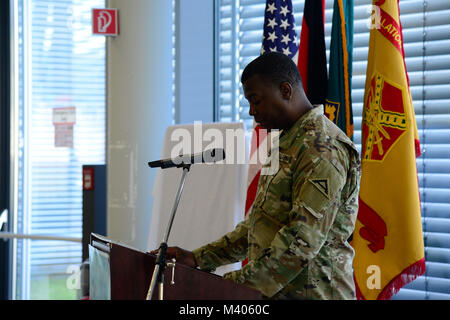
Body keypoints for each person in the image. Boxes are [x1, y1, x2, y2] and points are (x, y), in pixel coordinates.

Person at [151, 52, 361, 300]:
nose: (252, 111)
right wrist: (197, 258)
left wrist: (229, 287)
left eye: (256, 100)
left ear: (285, 90)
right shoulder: (288, 140)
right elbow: (257, 226)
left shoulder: (322, 148)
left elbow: (300, 243)